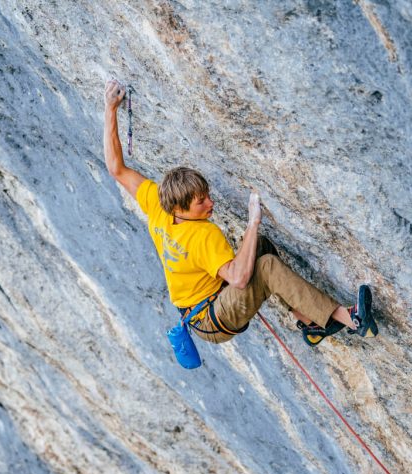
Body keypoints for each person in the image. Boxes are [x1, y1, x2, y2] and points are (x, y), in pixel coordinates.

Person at [102, 79, 378, 347]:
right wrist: (252, 222)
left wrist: (110, 109)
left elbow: (117, 168)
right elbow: (238, 278)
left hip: (200, 310)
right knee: (266, 267)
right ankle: (353, 320)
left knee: (260, 247)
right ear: (180, 207)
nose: (210, 204)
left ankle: (311, 322)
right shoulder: (203, 234)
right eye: (201, 202)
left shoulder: (157, 205)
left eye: (207, 195)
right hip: (213, 317)